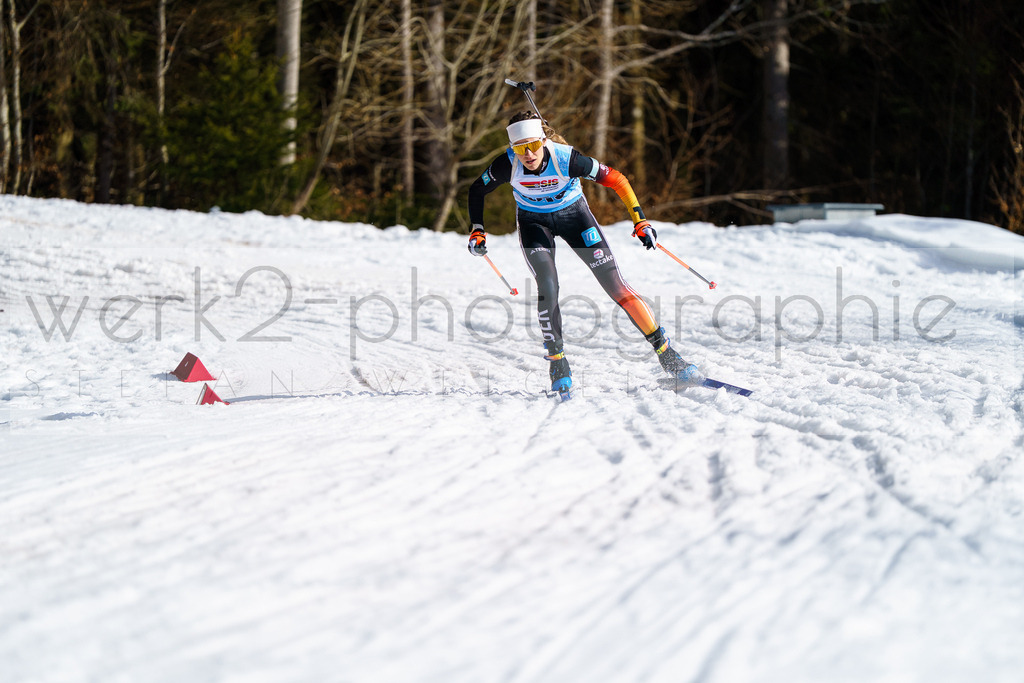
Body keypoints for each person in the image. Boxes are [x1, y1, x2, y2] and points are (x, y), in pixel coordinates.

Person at [466, 110, 703, 395]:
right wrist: (478, 229)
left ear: (543, 140)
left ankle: (667, 354)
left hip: (574, 216)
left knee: (616, 285)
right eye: (520, 148)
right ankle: (557, 364)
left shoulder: (567, 159)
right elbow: (477, 190)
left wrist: (640, 220)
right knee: (547, 285)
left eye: (533, 145)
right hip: (534, 222)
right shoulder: (507, 164)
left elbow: (618, 180)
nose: (527, 154)